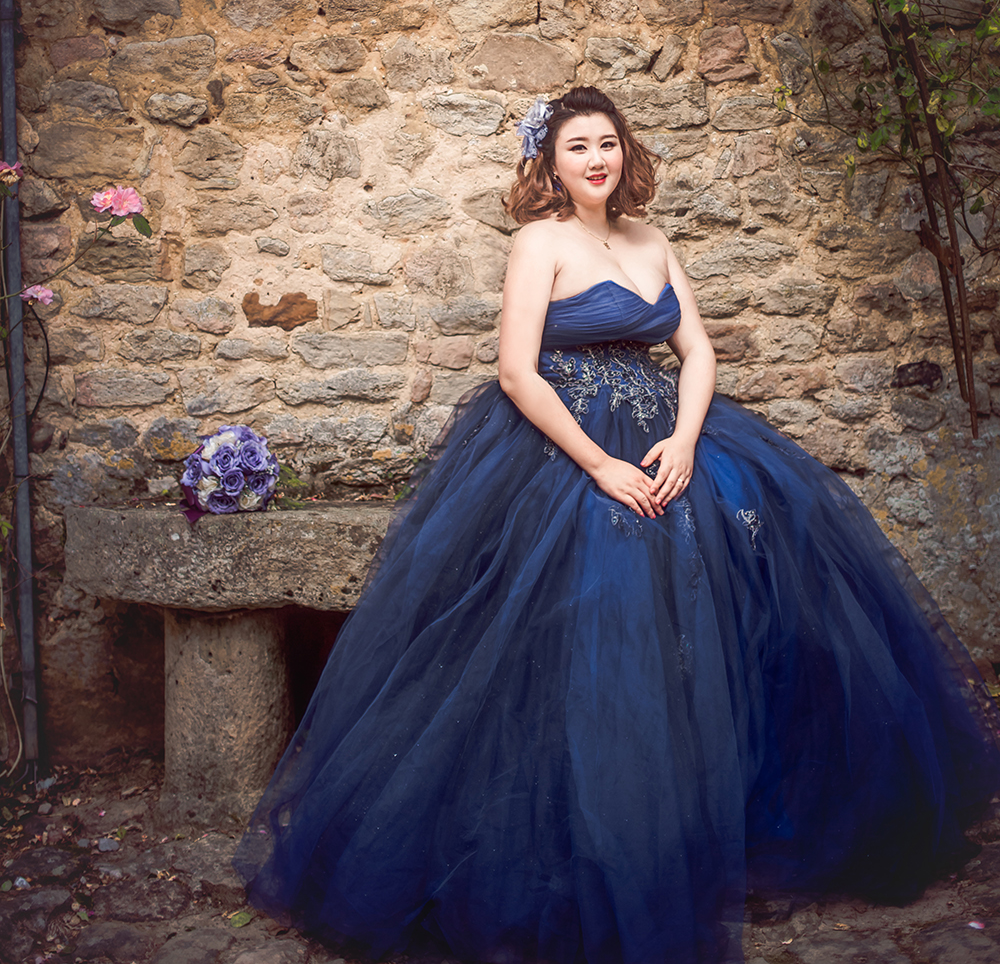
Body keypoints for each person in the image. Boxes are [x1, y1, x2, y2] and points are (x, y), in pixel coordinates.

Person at [235, 85, 1000, 964]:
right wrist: (599, 465)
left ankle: (721, 817)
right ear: (551, 165)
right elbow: (517, 372)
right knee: (607, 596)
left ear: (624, 152)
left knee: (754, 552)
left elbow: (696, 350)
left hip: (666, 432)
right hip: (564, 443)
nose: (596, 159)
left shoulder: (651, 240)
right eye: (577, 148)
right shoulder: (540, 241)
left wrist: (686, 438)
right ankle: (591, 836)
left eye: (607, 143)